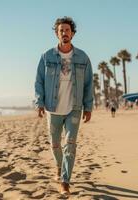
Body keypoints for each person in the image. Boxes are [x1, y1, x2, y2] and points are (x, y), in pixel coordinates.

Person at [35, 17, 93, 196]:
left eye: (68, 30)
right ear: (56, 33)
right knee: (55, 145)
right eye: (61, 30)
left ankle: (65, 181)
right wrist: (40, 102)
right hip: (53, 108)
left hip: (74, 108)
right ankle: (59, 166)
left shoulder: (83, 57)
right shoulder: (47, 56)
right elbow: (39, 81)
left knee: (70, 144)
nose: (65, 33)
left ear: (73, 33)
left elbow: (89, 84)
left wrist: (88, 106)